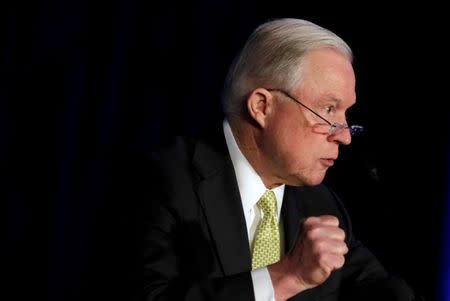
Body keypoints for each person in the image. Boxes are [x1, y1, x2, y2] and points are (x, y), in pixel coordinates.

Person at [144, 18, 416, 300]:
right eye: (328, 108)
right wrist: (286, 276)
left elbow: (382, 290)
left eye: (345, 114)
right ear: (262, 106)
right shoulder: (160, 181)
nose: (345, 136)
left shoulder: (321, 204)